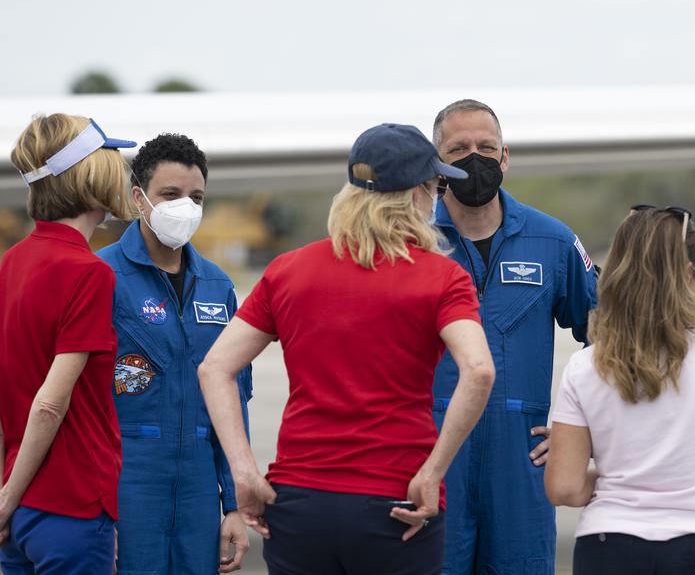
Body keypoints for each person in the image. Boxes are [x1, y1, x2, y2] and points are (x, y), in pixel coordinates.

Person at [197, 123, 496, 575]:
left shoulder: (288, 271)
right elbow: (479, 370)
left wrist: (244, 472)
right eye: (435, 187)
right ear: (416, 195)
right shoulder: (441, 277)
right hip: (394, 501)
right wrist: (433, 473)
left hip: (298, 503)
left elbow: (214, 367)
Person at [545, 205, 695, 575]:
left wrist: (623, 483)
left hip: (609, 547)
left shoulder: (586, 366)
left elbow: (564, 488)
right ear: (691, 274)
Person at [0, 113, 137, 572]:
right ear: (92, 175)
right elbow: (49, 405)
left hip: (15, 512)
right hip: (71, 505)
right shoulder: (89, 271)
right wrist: (5, 500)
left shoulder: (10, 264)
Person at [429, 99, 598, 575]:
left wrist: (583, 431)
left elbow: (610, 340)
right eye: (458, 149)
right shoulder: (410, 244)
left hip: (522, 462)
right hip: (433, 455)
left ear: (505, 158)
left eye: (486, 147)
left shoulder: (553, 241)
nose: (474, 158)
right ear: (436, 163)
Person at [96, 133, 254, 574]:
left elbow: (234, 401)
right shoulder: (101, 277)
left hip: (199, 490)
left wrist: (234, 505)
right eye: (170, 194)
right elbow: (78, 400)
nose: (184, 206)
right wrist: (93, 511)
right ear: (138, 198)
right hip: (127, 482)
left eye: (196, 196)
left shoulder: (217, 286)